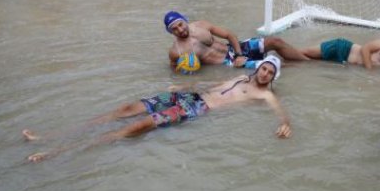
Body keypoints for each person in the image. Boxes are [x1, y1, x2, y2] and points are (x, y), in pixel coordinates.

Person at [23, 55, 292, 162]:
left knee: (138, 126)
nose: (265, 72)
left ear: (273, 77)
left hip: (197, 109)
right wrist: (185, 87)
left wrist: (285, 124)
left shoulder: (265, 96)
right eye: (264, 67)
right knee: (127, 108)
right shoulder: (241, 77)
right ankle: (49, 136)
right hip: (190, 96)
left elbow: (281, 114)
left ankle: (56, 153)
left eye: (271, 71)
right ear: (258, 68)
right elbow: (213, 83)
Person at [164, 11, 308, 71]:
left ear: (184, 20)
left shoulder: (201, 25)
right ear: (170, 32)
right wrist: (186, 69)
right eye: (174, 29)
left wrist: (239, 54)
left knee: (275, 41)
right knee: (273, 65)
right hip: (229, 63)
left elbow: (229, 35)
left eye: (180, 24)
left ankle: (308, 62)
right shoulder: (176, 51)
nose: (180, 30)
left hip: (236, 50)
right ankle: (305, 70)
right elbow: (174, 69)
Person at [298, 34, 380, 71]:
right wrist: (369, 71)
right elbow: (365, 49)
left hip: (343, 64)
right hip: (344, 48)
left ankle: (280, 62)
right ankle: (278, 54)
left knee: (303, 61)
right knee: (302, 53)